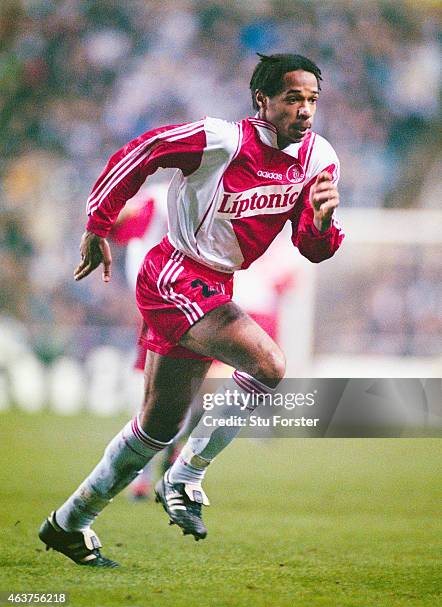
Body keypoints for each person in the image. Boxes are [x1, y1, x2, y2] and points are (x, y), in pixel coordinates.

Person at [39, 53, 344, 567]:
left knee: (155, 427)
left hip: (215, 286)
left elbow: (313, 248)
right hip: (174, 273)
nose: (305, 110)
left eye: (312, 100)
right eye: (293, 98)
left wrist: (321, 221)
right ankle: (185, 477)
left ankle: (69, 523)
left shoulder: (320, 159)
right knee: (268, 364)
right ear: (262, 100)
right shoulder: (222, 140)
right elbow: (146, 150)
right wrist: (97, 223)